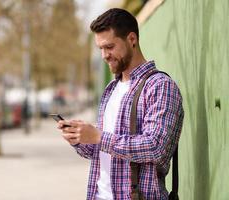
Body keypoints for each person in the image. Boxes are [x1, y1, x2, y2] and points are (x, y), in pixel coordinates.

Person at [58, 8, 184, 200]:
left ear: (132, 40)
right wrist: (80, 139)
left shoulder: (160, 86)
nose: (104, 55)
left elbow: (156, 147)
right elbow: (105, 153)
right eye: (100, 48)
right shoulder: (111, 89)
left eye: (109, 47)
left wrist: (99, 137)